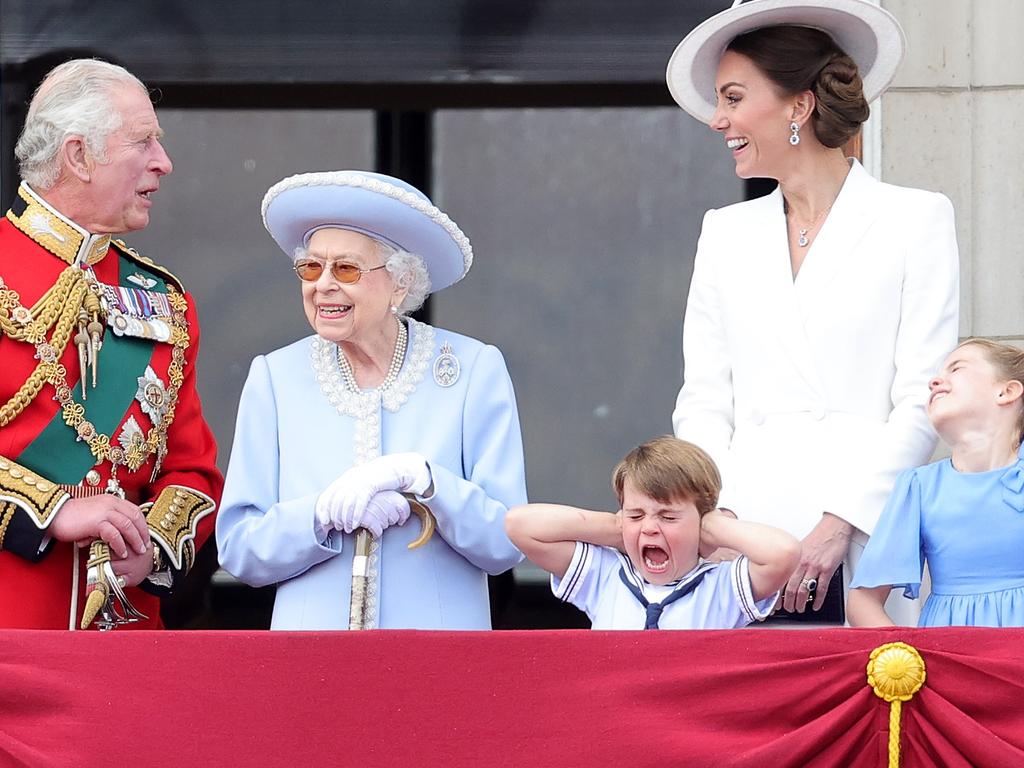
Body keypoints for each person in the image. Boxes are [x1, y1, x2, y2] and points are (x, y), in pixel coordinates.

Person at [665, 0, 959, 622]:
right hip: (745, 546)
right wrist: (723, 521)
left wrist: (842, 523)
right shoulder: (724, 231)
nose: (718, 120)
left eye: (734, 98)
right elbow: (705, 399)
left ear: (799, 105)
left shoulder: (915, 219)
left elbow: (921, 400)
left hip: (863, 541)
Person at [216, 170, 527, 630]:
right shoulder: (275, 378)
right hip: (311, 662)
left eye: (345, 269)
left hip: (437, 660)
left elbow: (505, 544)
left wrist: (426, 481)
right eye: (310, 268)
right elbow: (240, 550)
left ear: (400, 284)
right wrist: (319, 514)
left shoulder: (472, 370)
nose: (322, 285)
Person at [0, 59, 222, 629]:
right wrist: (52, 513)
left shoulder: (163, 299)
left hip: (124, 641)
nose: (164, 163)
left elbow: (192, 472)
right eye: (144, 141)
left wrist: (155, 548)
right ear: (79, 156)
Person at [505, 436, 800, 630]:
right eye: (636, 514)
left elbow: (783, 553)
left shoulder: (720, 588)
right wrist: (613, 528)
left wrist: (713, 527)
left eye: (668, 516)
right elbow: (520, 525)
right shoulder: (605, 576)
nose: (649, 527)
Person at [848, 340, 1024, 627]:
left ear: (1006, 391)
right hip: (949, 660)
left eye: (956, 368)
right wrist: (907, 662)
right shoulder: (918, 487)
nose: (934, 382)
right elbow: (863, 601)